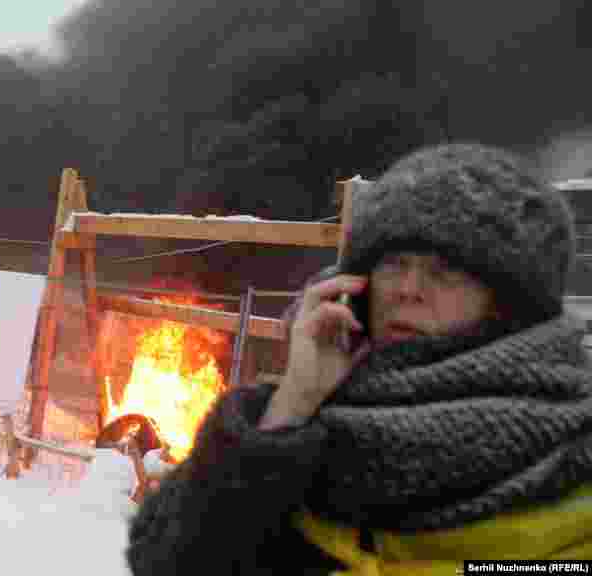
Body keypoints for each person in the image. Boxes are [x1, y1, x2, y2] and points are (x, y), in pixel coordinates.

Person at [125, 143, 592, 574]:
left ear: (510, 302)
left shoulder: (568, 454)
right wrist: (292, 402)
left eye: (444, 272)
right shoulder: (302, 429)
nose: (409, 289)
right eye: (394, 264)